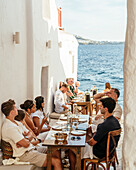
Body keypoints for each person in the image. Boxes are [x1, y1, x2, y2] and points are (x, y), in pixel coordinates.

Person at [1, 99, 62, 169]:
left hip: (31, 148)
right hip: (24, 155)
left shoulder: (15, 122)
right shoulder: (10, 128)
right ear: (12, 112)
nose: (17, 109)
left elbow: (30, 133)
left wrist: (25, 138)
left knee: (55, 150)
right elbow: (26, 144)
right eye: (15, 108)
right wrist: (26, 139)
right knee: (56, 161)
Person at [69, 97, 121, 170]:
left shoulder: (104, 125)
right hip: (109, 152)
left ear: (106, 109)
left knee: (73, 150)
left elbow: (92, 143)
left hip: (99, 153)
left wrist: (86, 141)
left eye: (101, 106)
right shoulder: (115, 121)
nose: (99, 107)